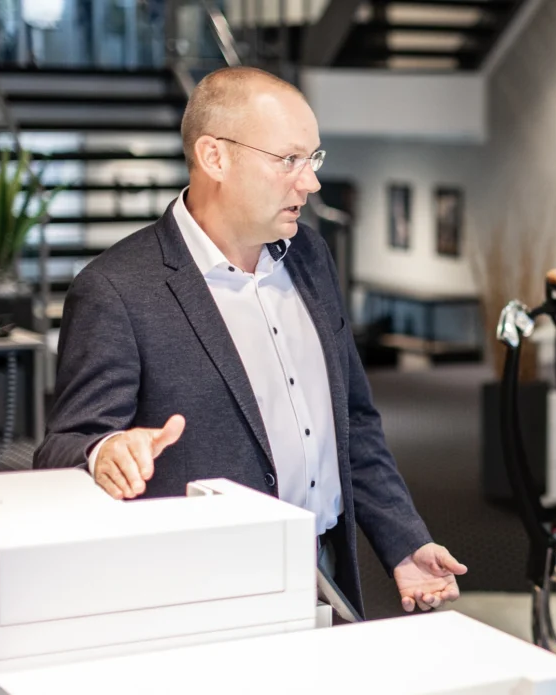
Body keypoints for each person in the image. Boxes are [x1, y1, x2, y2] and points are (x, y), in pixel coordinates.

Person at [33, 66, 466, 618]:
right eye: (289, 160)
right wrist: (104, 452)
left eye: (313, 159)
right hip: (201, 595)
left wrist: (402, 541)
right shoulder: (117, 289)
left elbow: (352, 421)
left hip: (324, 571)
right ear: (215, 157)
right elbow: (64, 445)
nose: (310, 183)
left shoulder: (311, 256)